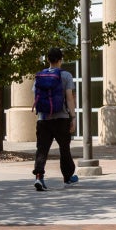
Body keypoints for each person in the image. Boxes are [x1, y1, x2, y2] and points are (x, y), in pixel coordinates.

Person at [32, 50, 77, 191]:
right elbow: (69, 98)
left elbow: (34, 93)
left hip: (43, 119)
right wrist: (73, 117)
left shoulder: (40, 76)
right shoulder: (66, 76)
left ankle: (39, 177)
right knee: (64, 148)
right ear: (60, 60)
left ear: (48, 60)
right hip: (61, 118)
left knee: (42, 149)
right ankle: (67, 177)